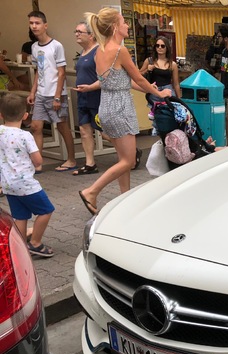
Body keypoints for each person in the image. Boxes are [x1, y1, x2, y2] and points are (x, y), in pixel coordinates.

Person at [77, 7, 171, 215]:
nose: (127, 25)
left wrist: (153, 90)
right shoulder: (119, 50)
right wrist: (160, 94)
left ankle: (123, 200)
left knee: (122, 160)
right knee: (128, 160)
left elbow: (122, 82)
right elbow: (138, 78)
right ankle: (92, 191)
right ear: (114, 27)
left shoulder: (99, 51)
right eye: (124, 22)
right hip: (120, 108)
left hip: (107, 107)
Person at [0, 93, 55, 257]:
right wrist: (37, 161)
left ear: (1, 115)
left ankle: (21, 247)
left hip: (8, 184)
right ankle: (35, 243)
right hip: (26, 184)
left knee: (20, 216)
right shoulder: (25, 136)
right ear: (25, 116)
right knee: (46, 210)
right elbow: (37, 161)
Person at [26, 10, 77, 172]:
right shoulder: (34, 47)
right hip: (41, 94)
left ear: (45, 25)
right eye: (31, 23)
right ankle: (38, 164)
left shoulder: (56, 46)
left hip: (56, 94)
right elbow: (38, 71)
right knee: (35, 127)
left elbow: (61, 73)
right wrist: (33, 92)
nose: (34, 26)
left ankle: (71, 159)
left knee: (62, 127)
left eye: (37, 23)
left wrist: (57, 97)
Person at [71, 21, 105, 176]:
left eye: (80, 31)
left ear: (91, 35)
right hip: (82, 96)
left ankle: (130, 151)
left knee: (104, 131)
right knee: (84, 130)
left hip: (95, 97)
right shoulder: (82, 53)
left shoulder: (98, 52)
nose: (77, 34)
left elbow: (105, 77)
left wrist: (90, 87)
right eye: (76, 31)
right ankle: (90, 163)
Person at [138, 35, 181, 120]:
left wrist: (179, 99)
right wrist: (147, 69)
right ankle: (156, 131)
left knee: (169, 115)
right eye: (157, 45)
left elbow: (176, 83)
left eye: (162, 46)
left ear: (167, 48)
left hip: (168, 90)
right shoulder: (149, 61)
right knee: (156, 115)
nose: (160, 48)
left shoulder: (172, 64)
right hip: (154, 90)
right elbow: (138, 75)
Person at [219, 27, 228, 130]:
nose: (218, 38)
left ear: (226, 38)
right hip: (224, 89)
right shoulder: (224, 52)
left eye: (220, 36)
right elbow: (224, 70)